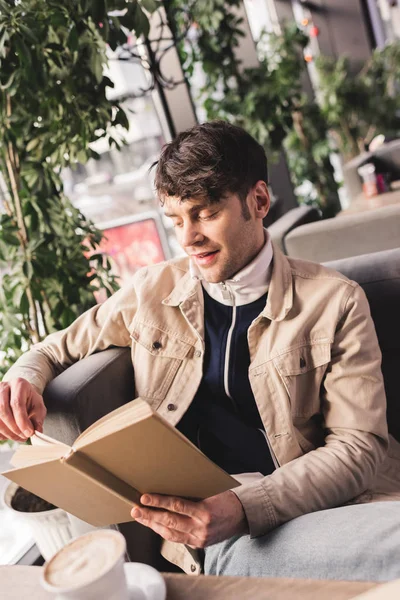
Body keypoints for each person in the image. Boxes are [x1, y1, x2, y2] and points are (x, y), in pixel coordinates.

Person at [1, 121, 400, 580]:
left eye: (206, 213)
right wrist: (23, 379)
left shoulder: (336, 300)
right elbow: (54, 349)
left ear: (259, 201)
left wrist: (245, 505)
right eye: (175, 220)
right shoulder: (152, 290)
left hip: (334, 505)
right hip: (226, 535)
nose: (188, 237)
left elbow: (359, 446)